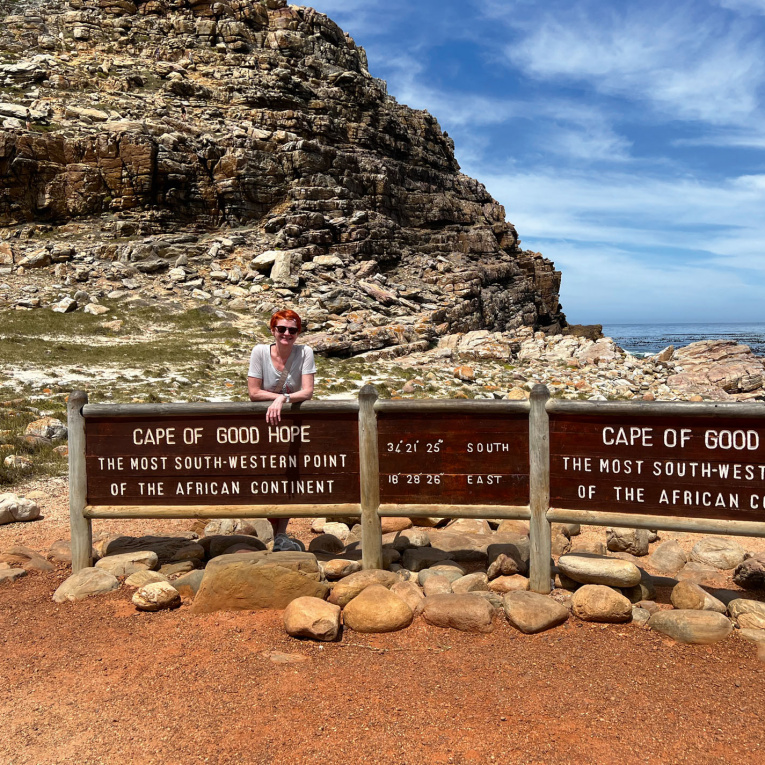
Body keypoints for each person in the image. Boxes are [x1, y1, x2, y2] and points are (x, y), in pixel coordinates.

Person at [248, 309, 316, 551]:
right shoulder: (259, 352)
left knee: (290, 472)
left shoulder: (305, 352)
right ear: (272, 330)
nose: (287, 334)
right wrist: (281, 398)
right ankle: (269, 527)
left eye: (293, 330)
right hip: (266, 421)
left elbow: (307, 391)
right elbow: (254, 392)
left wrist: (282, 399)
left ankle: (281, 533)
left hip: (291, 422)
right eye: (282, 329)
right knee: (266, 472)